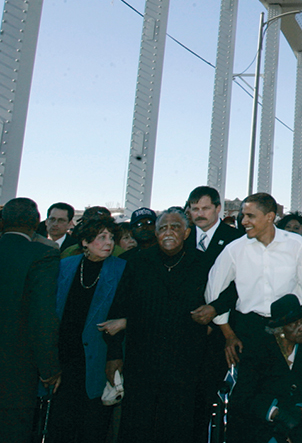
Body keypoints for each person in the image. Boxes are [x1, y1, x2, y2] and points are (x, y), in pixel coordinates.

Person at [203, 193, 302, 443]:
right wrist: (228, 334)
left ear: (270, 217)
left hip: (290, 328)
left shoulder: (296, 244)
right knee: (251, 401)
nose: (243, 220)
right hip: (251, 331)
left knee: (291, 398)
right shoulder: (235, 249)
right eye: (242, 215)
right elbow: (213, 292)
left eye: (250, 216)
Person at [104, 209, 211, 443]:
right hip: (142, 363)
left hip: (185, 366)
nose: (168, 232)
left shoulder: (203, 263)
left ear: (187, 233)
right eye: (163, 228)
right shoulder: (136, 262)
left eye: (175, 227)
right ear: (156, 233)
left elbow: (229, 293)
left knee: (177, 429)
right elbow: (118, 310)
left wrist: (213, 310)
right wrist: (113, 355)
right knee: (137, 429)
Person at [46, 216, 126, 443]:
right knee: (61, 424)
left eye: (111, 237)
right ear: (85, 242)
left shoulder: (121, 269)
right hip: (65, 358)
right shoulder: (65, 266)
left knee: (93, 426)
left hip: (99, 360)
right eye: (101, 237)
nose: (109, 242)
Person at [0, 197, 61, 443]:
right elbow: (42, 316)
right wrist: (49, 368)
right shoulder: (42, 255)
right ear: (37, 222)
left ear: (3, 222)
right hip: (16, 368)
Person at [185, 185, 242, 443]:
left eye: (205, 208)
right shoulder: (182, 237)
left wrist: (215, 310)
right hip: (186, 329)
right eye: (194, 209)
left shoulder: (236, 239)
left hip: (221, 330)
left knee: (209, 397)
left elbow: (240, 284)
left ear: (218, 209)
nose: (200, 214)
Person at [234, 294, 302, 443]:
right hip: (265, 425)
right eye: (294, 323)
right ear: (280, 329)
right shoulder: (259, 351)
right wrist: (275, 413)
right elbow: (244, 394)